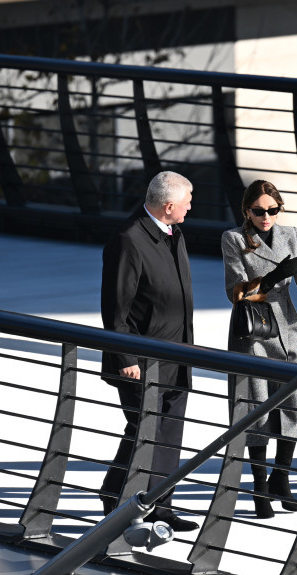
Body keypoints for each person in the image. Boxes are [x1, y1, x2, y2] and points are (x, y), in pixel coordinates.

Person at [221, 180, 297, 519]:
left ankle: (281, 478)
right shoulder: (234, 238)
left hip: (287, 328)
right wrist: (270, 279)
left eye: (273, 210)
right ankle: (259, 487)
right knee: (257, 408)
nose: (266, 217)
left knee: (294, 403)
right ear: (246, 211)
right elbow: (235, 291)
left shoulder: (290, 234)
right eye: (258, 211)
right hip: (254, 329)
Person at [99, 170, 198, 531]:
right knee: (144, 430)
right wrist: (126, 358)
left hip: (178, 355)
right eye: (187, 201)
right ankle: (114, 498)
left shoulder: (174, 233)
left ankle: (160, 508)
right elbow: (115, 309)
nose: (190, 207)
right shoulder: (129, 240)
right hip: (141, 362)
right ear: (169, 206)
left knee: (168, 435)